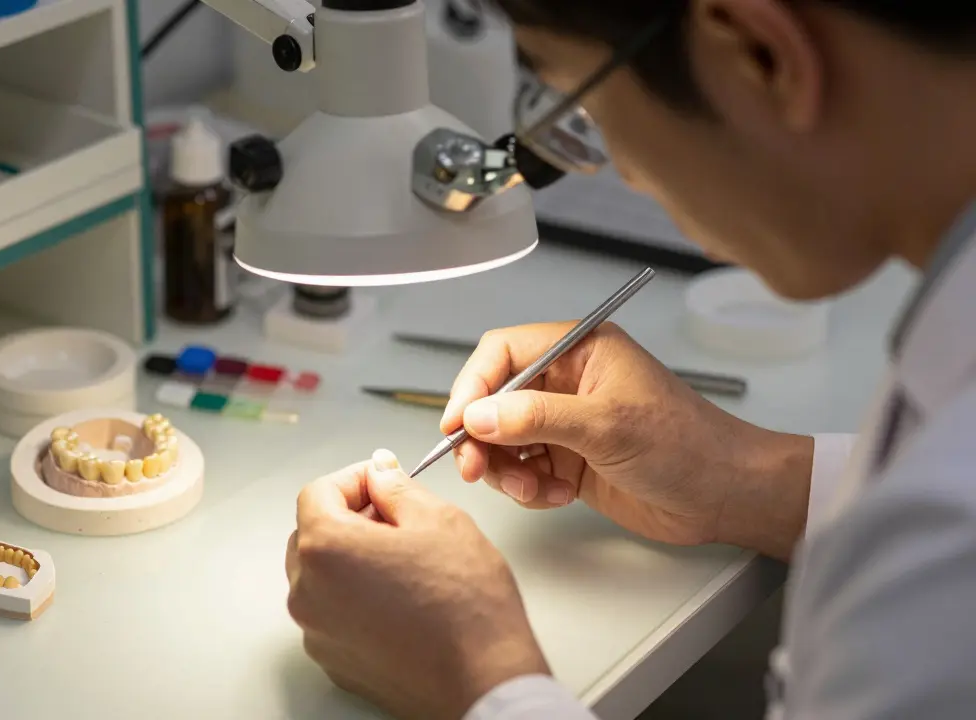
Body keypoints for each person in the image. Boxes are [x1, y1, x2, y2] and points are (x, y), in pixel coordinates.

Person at [283, 1, 976, 718]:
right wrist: (741, 480)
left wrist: (479, 676)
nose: (629, 179)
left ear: (759, 54)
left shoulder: (945, 540)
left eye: (589, 109)